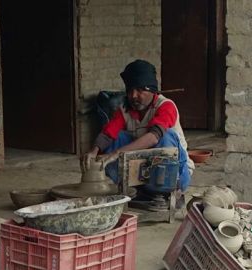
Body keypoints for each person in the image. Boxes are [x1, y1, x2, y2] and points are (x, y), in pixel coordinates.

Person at [82, 59, 194, 192]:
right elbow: (108, 133)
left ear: (152, 90)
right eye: (130, 91)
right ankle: (131, 187)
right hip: (144, 169)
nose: (133, 96)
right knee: (115, 138)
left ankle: (165, 191)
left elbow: (153, 137)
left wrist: (117, 153)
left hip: (178, 172)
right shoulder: (125, 109)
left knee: (166, 136)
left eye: (139, 90)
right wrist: (93, 151)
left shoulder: (166, 106)